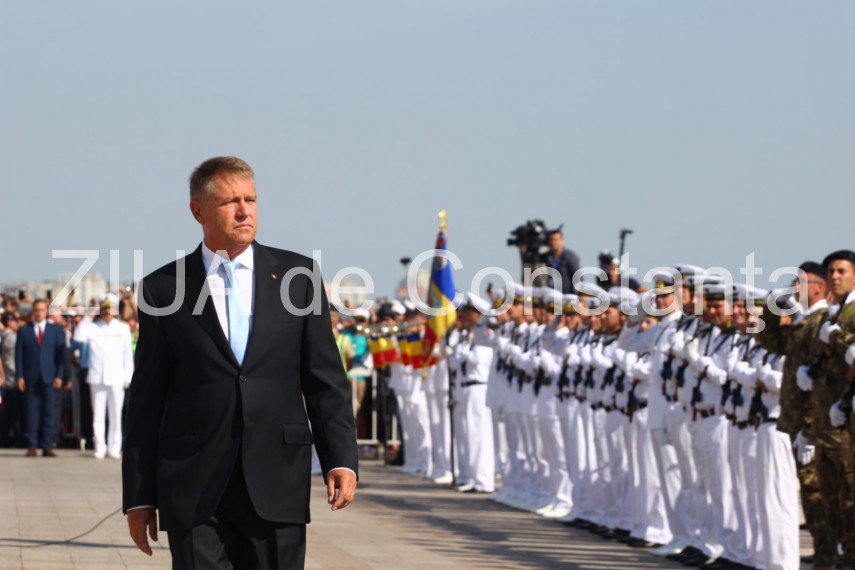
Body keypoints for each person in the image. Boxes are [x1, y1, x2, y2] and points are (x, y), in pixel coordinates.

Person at [122, 156, 358, 569]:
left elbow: (325, 380)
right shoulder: (163, 288)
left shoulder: (297, 277)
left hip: (277, 479)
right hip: (193, 487)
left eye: (251, 199)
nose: (245, 210)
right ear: (198, 210)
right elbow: (146, 399)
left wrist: (340, 458)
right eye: (231, 201)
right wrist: (139, 496)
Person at [73, 293, 134, 459]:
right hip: (97, 376)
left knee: (116, 414)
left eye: (109, 308)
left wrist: (128, 376)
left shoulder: (123, 328)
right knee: (98, 414)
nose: (107, 311)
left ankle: (115, 447)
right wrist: (88, 317)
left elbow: (127, 355)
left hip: (117, 376)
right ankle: (100, 446)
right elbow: (78, 337)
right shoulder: (92, 327)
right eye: (104, 308)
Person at [14, 299, 66, 457]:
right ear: (32, 311)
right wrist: (20, 376)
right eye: (36, 310)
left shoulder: (55, 330)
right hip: (30, 376)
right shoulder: (24, 330)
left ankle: (47, 445)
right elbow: (19, 356)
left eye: (42, 310)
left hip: (49, 377)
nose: (39, 313)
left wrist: (59, 375)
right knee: (31, 412)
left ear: (46, 311)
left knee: (49, 412)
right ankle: (32, 444)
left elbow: (60, 356)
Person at [546, 228, 581, 294]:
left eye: (556, 239)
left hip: (567, 296)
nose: (553, 242)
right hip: (550, 295)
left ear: (562, 240)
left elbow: (577, 276)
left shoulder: (569, 257)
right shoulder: (546, 257)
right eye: (551, 240)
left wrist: (580, 294)